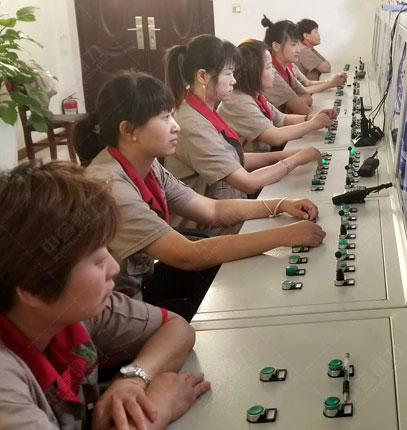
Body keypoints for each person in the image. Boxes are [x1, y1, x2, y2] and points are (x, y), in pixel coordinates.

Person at [76, 71, 326, 320]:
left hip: (144, 281)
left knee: (239, 277)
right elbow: (189, 256)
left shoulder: (146, 164)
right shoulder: (112, 187)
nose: (176, 126)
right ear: (128, 130)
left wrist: (280, 204)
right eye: (164, 118)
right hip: (114, 310)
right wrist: (284, 236)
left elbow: (211, 209)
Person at [0, 161, 210, 430]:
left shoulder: (72, 311)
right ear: (33, 289)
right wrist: (157, 410)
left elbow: (177, 328)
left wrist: (133, 379)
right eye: (98, 261)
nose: (114, 268)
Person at [164, 35, 325, 211]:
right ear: (203, 76)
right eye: (228, 73)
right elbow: (248, 183)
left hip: (233, 206)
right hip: (216, 222)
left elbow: (233, 159)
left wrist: (288, 155)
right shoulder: (192, 124)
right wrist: (297, 159)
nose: (233, 80)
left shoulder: (203, 111)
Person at [218, 38, 338, 153]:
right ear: (253, 71)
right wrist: (312, 124)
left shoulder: (255, 95)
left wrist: (314, 117)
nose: (272, 71)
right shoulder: (238, 101)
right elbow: (274, 137)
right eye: (269, 67)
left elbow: (283, 119)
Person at [260, 15, 314, 114]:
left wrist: (291, 104)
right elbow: (304, 110)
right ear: (276, 46)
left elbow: (308, 97)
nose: (298, 50)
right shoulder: (272, 73)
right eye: (293, 45)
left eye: (298, 44)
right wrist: (295, 103)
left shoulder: (285, 69)